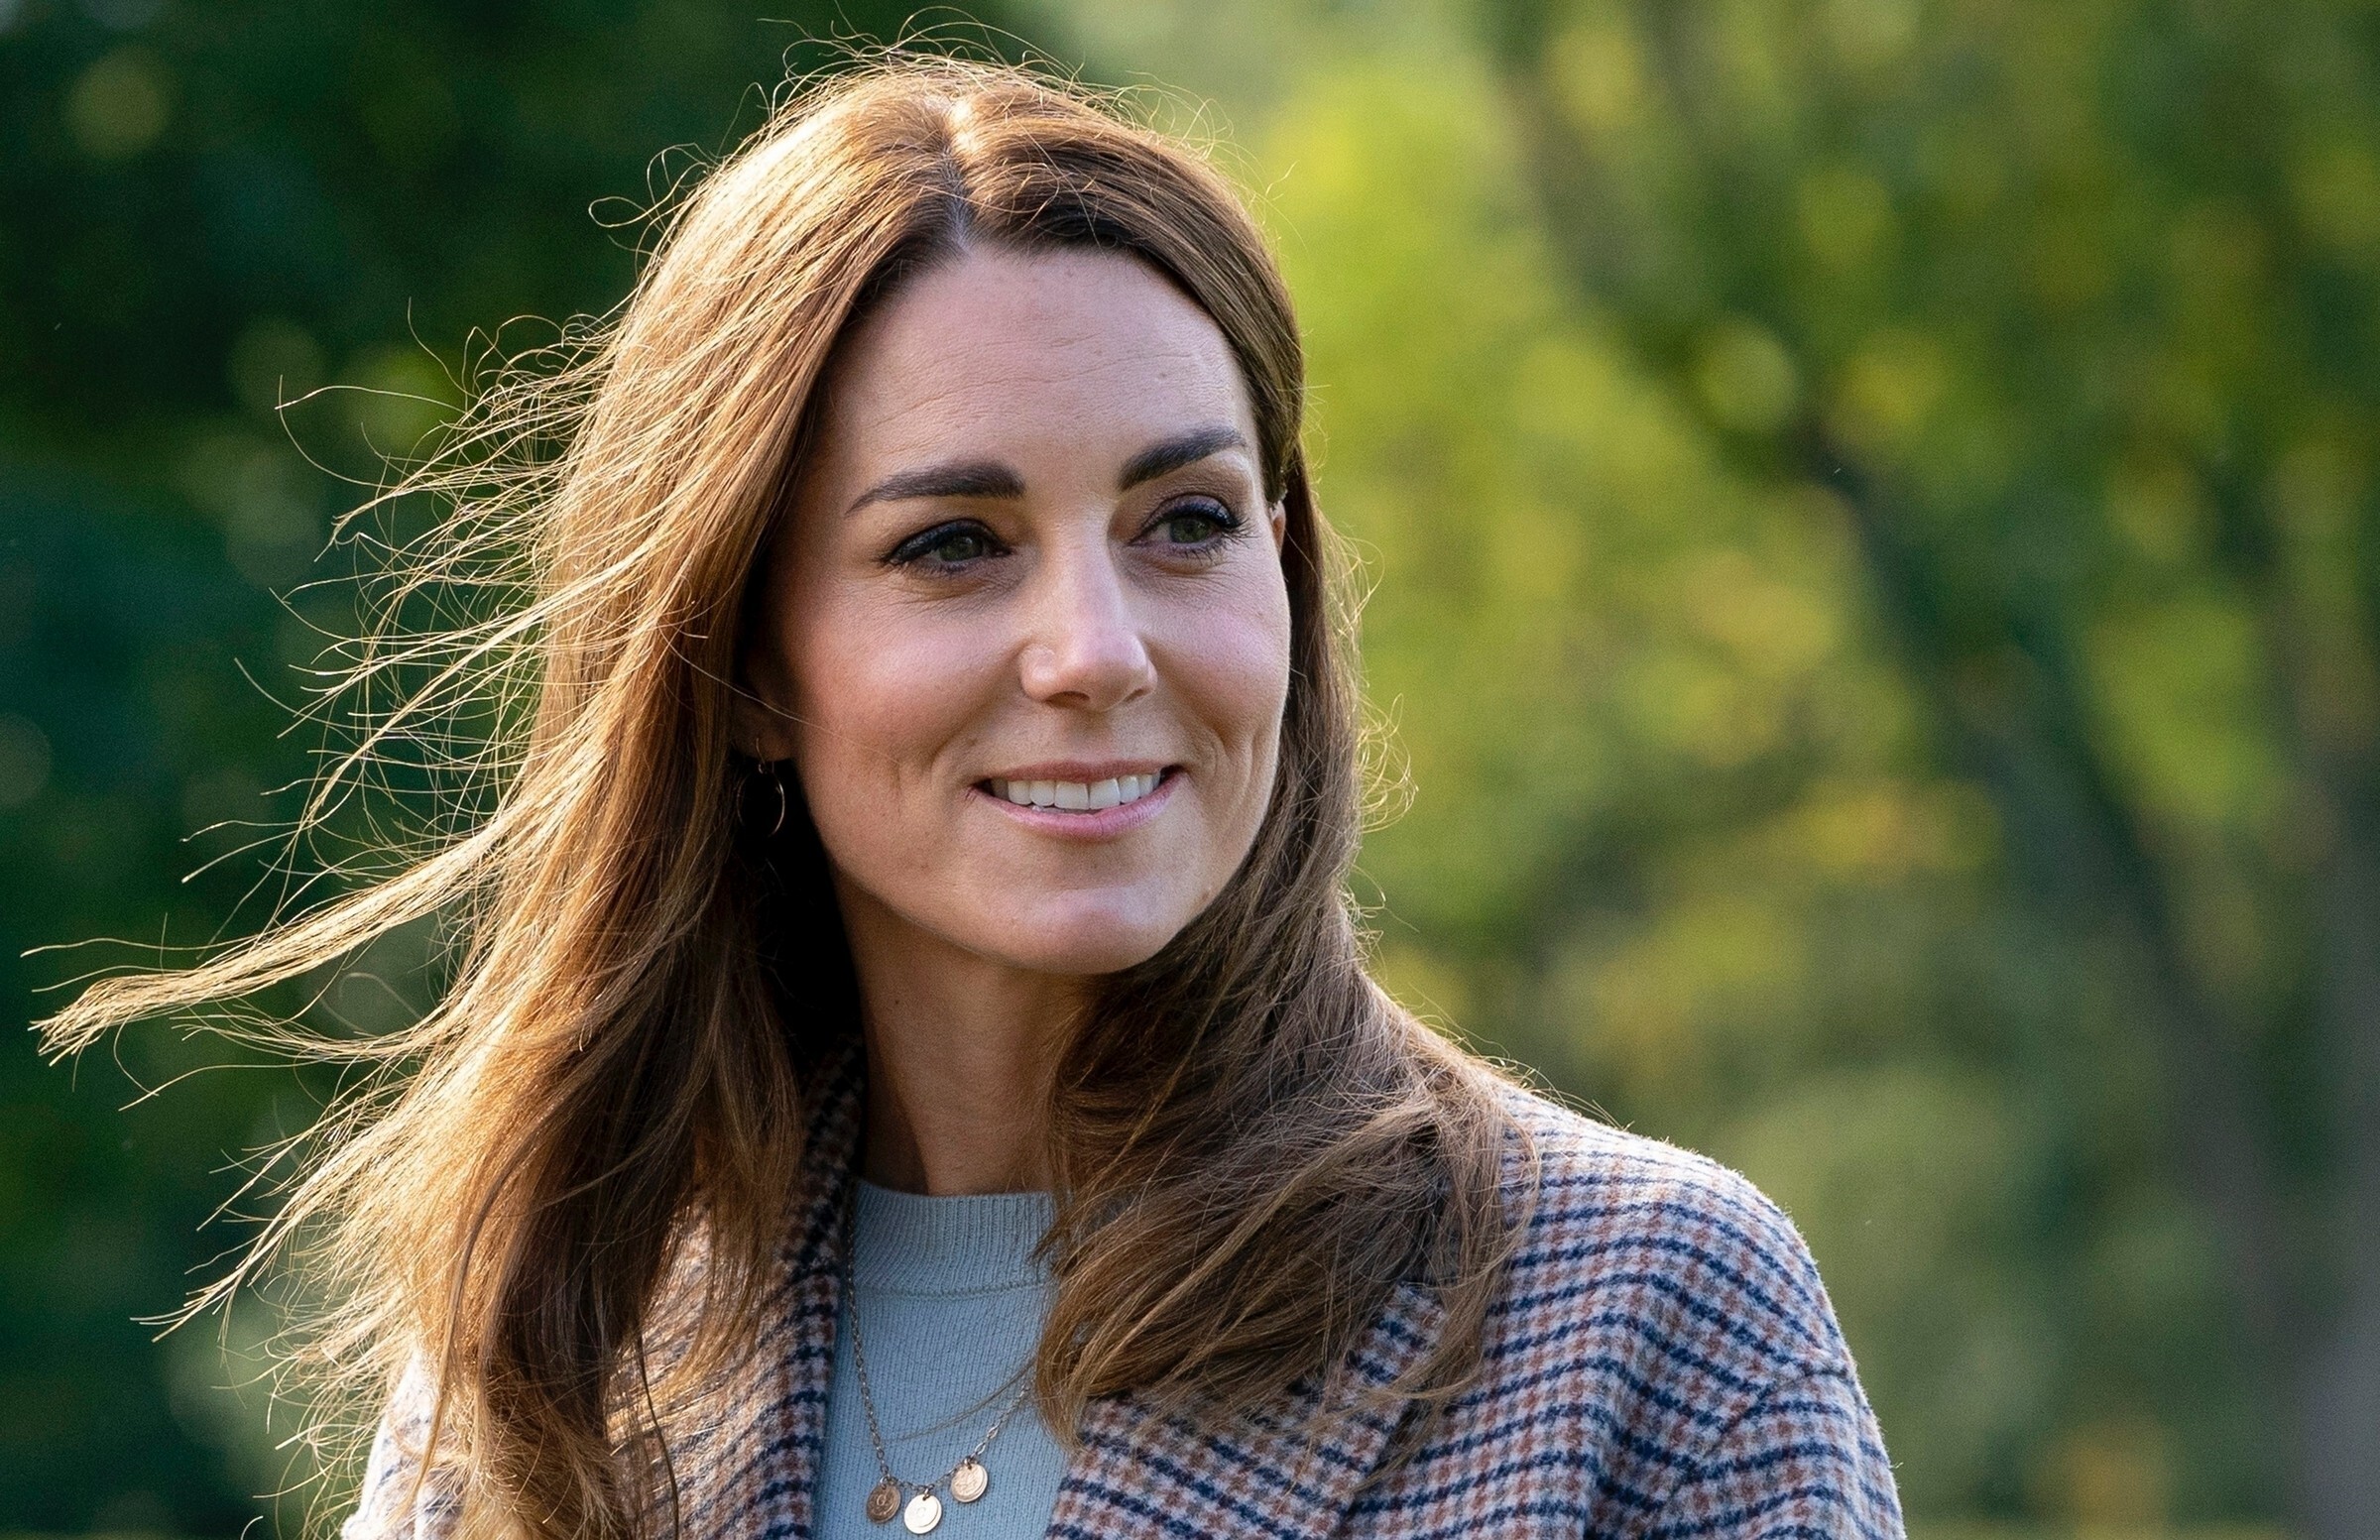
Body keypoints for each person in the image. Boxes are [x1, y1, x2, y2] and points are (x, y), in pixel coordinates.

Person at [44, 58, 1905, 1540]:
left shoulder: (1645, 1316)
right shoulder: (550, 1350)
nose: (1094, 648)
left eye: (1185, 522)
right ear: (746, 663)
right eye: (953, 543)